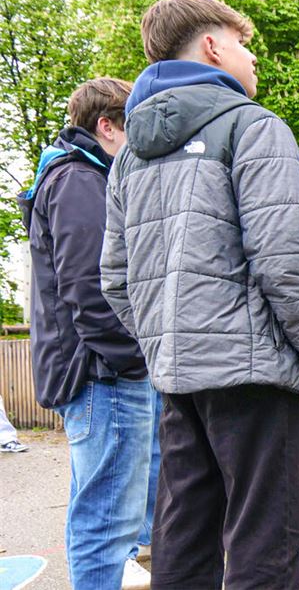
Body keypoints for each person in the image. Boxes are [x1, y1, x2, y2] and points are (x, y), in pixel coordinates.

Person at [100, 0, 299, 589]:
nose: (253, 57)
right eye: (244, 43)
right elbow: (282, 260)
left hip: (179, 381)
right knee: (267, 534)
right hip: (252, 376)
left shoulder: (130, 156)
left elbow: (115, 279)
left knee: (184, 535)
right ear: (212, 47)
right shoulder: (252, 127)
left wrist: (168, 341)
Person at [17, 78, 158, 589]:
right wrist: (135, 359)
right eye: (133, 130)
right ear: (106, 126)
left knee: (98, 510)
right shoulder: (79, 180)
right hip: (103, 374)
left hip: (96, 371)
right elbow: (91, 288)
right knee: (106, 522)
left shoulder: (69, 175)